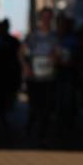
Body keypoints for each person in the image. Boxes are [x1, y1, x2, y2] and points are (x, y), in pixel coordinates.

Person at [21, 8, 59, 144]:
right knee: (35, 105)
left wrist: (55, 58)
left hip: (48, 76)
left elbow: (58, 54)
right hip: (34, 77)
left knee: (47, 106)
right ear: (40, 18)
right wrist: (26, 67)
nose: (46, 20)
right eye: (44, 17)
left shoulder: (54, 37)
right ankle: (32, 127)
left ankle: (42, 134)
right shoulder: (32, 36)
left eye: (49, 17)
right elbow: (22, 52)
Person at [0, 19, 21, 135]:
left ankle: (1, 121)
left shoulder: (12, 41)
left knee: (4, 101)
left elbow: (18, 59)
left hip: (7, 76)